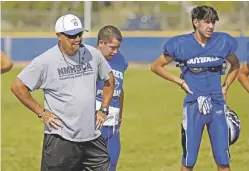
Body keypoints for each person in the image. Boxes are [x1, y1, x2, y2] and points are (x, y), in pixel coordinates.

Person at [10, 14, 115, 171]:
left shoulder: (92, 54)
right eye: (72, 35)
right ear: (59, 36)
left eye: (79, 34)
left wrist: (104, 108)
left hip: (92, 137)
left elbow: (109, 79)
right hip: (61, 139)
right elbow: (18, 86)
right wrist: (41, 112)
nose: (77, 39)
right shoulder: (45, 61)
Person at [151, 5, 240, 171]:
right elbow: (156, 66)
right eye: (207, 22)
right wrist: (180, 82)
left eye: (213, 22)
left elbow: (235, 65)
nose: (211, 26)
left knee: (223, 158)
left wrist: (226, 86)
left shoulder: (223, 41)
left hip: (217, 104)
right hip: (193, 105)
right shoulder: (180, 44)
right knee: (189, 159)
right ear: (196, 22)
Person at [95, 25, 128, 171]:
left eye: (118, 47)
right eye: (112, 47)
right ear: (101, 43)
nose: (116, 51)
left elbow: (120, 89)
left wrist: (120, 115)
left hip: (113, 124)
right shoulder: (89, 59)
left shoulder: (120, 60)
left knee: (112, 163)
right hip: (94, 123)